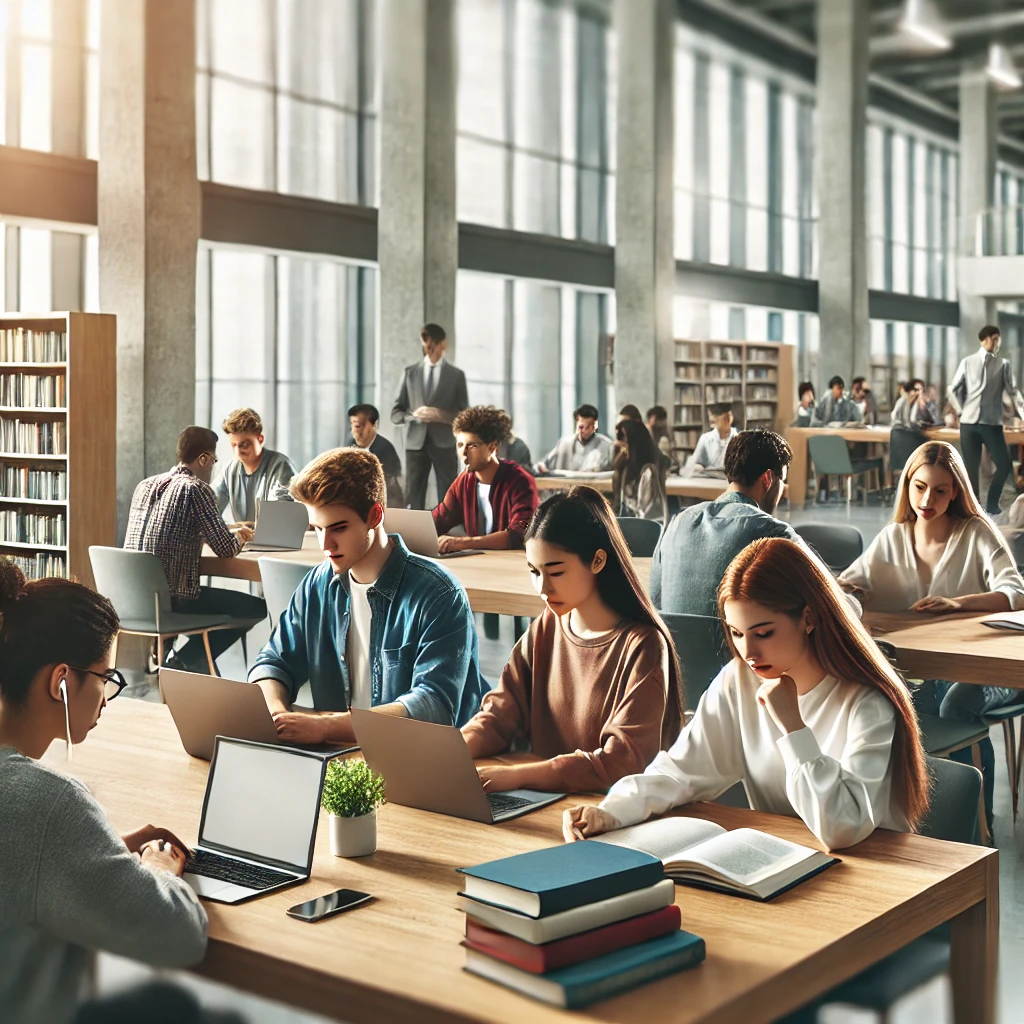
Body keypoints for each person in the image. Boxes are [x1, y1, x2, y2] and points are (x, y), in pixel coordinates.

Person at [562, 537, 929, 853]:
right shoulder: (740, 680)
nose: (748, 651)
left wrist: (793, 727)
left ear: (808, 618)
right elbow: (680, 772)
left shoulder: (867, 702)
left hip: (873, 874)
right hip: (784, 858)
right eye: (737, 633)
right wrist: (611, 811)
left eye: (763, 633)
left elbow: (841, 830)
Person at [0, 559, 207, 1024]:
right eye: (106, 678)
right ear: (61, 683)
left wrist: (99, 849)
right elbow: (179, 937)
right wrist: (157, 866)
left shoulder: (44, 816)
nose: (108, 697)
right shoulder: (48, 805)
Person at [840, 440, 1024, 831]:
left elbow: (1016, 593)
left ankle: (978, 824)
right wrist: (854, 597)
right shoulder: (893, 536)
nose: (928, 498)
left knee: (955, 703)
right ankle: (921, 820)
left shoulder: (974, 531)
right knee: (893, 702)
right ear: (907, 484)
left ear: (955, 491)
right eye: (920, 486)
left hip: (984, 670)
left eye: (941, 490)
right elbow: (845, 587)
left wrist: (960, 604)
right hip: (920, 667)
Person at [249, 447, 489, 746]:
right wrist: (276, 717)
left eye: (338, 528)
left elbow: (433, 706)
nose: (326, 544)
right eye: (317, 528)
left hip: (420, 758)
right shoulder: (318, 583)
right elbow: (273, 662)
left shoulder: (439, 593)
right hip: (343, 758)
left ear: (375, 515)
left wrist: (325, 728)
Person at [461, 487, 683, 793]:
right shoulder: (547, 626)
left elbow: (621, 764)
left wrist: (519, 776)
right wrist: (456, 749)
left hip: (607, 814)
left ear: (597, 561)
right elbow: (500, 714)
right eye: (534, 571)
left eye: (556, 572)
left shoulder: (643, 646)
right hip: (544, 801)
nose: (543, 588)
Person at [124, 427, 265, 673]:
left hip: (134, 600)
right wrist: (241, 535)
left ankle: (181, 659)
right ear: (203, 459)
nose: (213, 467)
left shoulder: (145, 486)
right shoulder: (195, 489)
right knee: (257, 607)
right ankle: (188, 661)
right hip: (174, 601)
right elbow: (225, 548)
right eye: (213, 460)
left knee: (220, 607)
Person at [651, 430, 797, 616]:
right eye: (781, 481)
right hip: (738, 644)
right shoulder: (773, 531)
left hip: (676, 644)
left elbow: (655, 603)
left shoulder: (676, 524)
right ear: (768, 479)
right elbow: (824, 590)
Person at [432, 406, 540, 554]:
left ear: (493, 447)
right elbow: (440, 519)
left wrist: (464, 542)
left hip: (515, 564)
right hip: (480, 563)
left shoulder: (520, 481)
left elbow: (519, 534)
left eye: (472, 446)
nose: (463, 453)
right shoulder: (463, 481)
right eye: (460, 445)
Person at [947, 324, 1024, 515]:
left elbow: (1013, 393)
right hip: (969, 423)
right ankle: (972, 508)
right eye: (994, 339)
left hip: (991, 423)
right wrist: (959, 411)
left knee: (1004, 465)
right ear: (986, 339)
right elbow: (952, 389)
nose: (997, 342)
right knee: (970, 469)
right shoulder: (967, 362)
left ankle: (991, 504)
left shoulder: (1003, 364)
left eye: (998, 339)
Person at [391, 323, 469, 510]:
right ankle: (415, 537)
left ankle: (445, 536)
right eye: (425, 343)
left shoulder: (456, 376)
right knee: (413, 497)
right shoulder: (410, 373)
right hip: (415, 444)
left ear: (443, 344)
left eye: (433, 343)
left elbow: (465, 416)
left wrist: (440, 415)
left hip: (444, 443)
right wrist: (414, 416)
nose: (429, 348)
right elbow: (396, 413)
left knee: (448, 497)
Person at [213, 408, 296, 527]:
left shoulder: (281, 467)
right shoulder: (229, 470)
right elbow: (210, 506)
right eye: (233, 445)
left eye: (244, 445)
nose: (238, 452)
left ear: (260, 439)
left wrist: (241, 527)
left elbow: (280, 519)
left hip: (277, 543)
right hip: (244, 543)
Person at [346, 403, 405, 507]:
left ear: (374, 424)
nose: (355, 431)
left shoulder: (385, 448)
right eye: (352, 425)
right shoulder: (350, 445)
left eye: (358, 426)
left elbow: (388, 483)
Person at [611, 417, 667, 522]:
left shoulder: (647, 471)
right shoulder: (625, 468)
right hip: (628, 520)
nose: (622, 444)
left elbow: (645, 512)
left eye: (625, 440)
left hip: (643, 524)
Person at [536, 404, 615, 473]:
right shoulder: (565, 444)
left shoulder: (606, 445)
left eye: (588, 427)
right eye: (581, 427)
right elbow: (544, 465)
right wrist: (541, 468)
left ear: (594, 426)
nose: (583, 430)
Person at [683, 402, 736, 476]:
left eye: (728, 417)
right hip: (709, 480)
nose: (726, 421)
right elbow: (694, 463)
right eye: (723, 418)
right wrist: (697, 467)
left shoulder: (738, 438)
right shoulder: (705, 439)